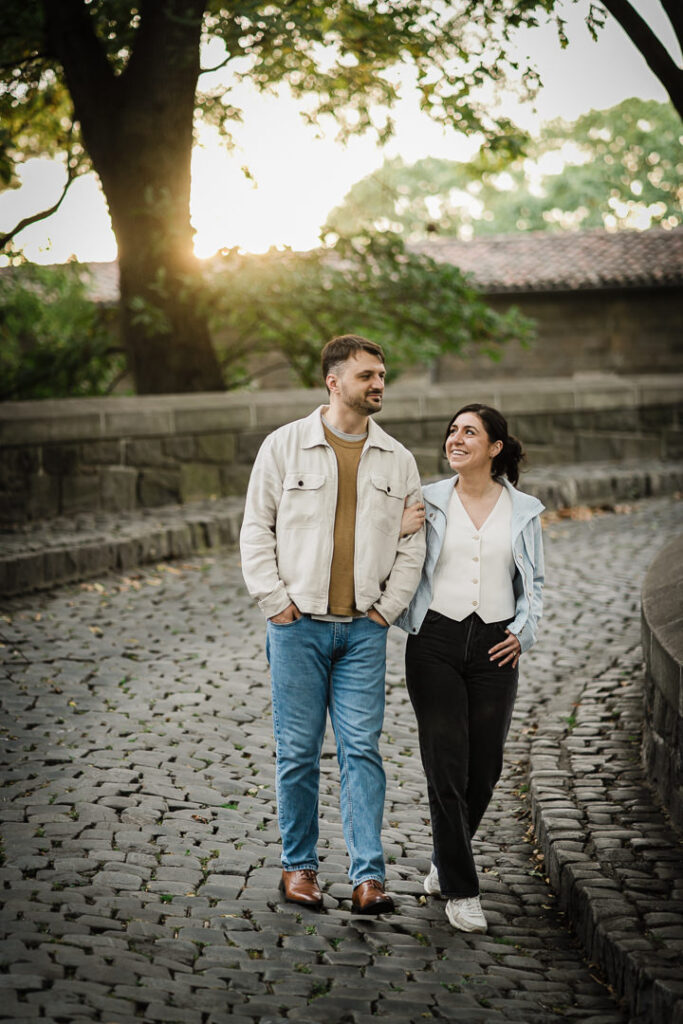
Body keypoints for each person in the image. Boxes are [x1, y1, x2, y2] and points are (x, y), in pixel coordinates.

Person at [240, 335, 425, 914]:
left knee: (361, 752)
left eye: (382, 374)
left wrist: (382, 613)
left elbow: (413, 545)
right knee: (297, 753)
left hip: (363, 632)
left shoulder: (398, 459)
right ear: (334, 381)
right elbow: (255, 529)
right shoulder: (283, 447)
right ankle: (299, 870)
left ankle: (369, 878)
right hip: (298, 628)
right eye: (368, 374)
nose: (379, 383)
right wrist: (276, 603)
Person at [396, 403, 545, 933]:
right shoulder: (427, 500)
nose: (456, 439)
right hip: (433, 639)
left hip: (495, 645)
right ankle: (461, 889)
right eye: (452, 431)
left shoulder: (524, 509)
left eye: (469, 432)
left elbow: (536, 582)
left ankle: (444, 856)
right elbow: (397, 559)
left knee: (485, 767)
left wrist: (522, 633)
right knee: (445, 766)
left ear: (495, 448)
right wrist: (398, 529)